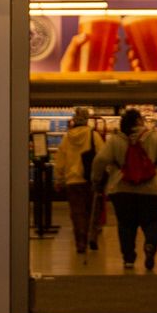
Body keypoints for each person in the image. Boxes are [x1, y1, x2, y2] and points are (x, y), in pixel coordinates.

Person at [88, 108, 157, 271]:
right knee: (153, 222)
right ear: (139, 121)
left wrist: (96, 180)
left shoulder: (115, 140)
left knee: (126, 225)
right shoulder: (154, 138)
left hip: (122, 190)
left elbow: (100, 159)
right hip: (152, 190)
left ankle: (128, 258)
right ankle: (150, 245)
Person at [52, 107, 100, 254]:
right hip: (90, 180)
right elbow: (102, 156)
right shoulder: (94, 135)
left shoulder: (67, 138)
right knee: (93, 209)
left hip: (73, 181)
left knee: (77, 213)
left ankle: (80, 242)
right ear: (87, 121)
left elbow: (60, 159)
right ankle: (93, 235)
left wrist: (59, 178)